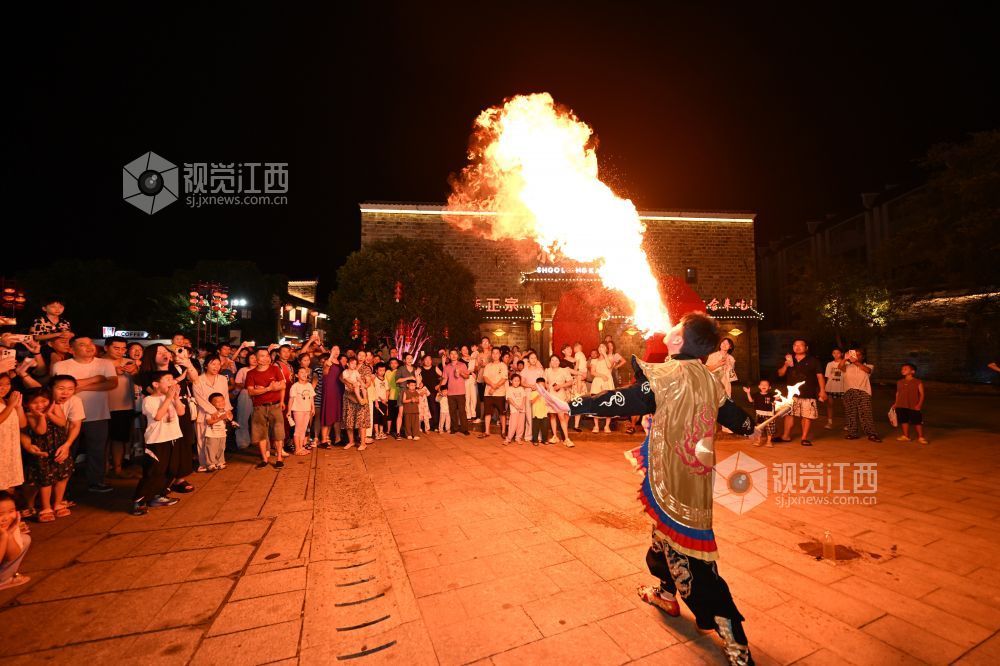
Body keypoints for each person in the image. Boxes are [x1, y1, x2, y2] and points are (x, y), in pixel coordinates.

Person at [537, 313, 759, 666]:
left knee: (697, 566)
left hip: (676, 485)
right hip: (695, 479)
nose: (669, 330)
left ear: (678, 342)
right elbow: (733, 415)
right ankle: (666, 593)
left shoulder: (669, 375)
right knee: (661, 542)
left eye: (676, 328)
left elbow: (625, 400)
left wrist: (572, 404)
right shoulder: (708, 378)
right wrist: (752, 425)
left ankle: (737, 644)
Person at [52, 336, 118, 492]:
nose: (89, 347)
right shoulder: (61, 365)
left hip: (98, 414)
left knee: (97, 450)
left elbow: (112, 383)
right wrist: (96, 379)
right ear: (72, 349)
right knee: (67, 449)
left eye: (90, 344)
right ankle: (59, 484)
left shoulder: (105, 363)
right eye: (82, 345)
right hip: (67, 415)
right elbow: (61, 385)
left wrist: (81, 386)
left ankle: (96, 482)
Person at [132, 370, 183, 515]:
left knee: (171, 469)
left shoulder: (171, 397)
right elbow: (158, 416)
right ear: (155, 384)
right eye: (167, 379)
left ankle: (158, 495)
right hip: (157, 440)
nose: (171, 382)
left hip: (173, 437)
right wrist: (168, 399)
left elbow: (181, 413)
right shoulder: (149, 400)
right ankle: (139, 501)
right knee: (155, 471)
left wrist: (176, 398)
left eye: (172, 379)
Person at [21, 390, 74, 521]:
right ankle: (46, 507)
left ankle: (57, 503)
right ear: (27, 404)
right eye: (35, 403)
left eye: (44, 401)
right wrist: (41, 417)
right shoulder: (30, 415)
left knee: (62, 476)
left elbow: (62, 423)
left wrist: (49, 413)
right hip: (43, 451)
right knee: (45, 480)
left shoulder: (55, 407)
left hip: (59, 448)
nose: (40, 405)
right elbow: (41, 431)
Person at [774, 339, 826, 447]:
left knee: (806, 415)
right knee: (789, 414)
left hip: (808, 392)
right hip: (791, 394)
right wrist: (786, 365)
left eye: (800, 345)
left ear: (806, 348)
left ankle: (804, 438)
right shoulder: (789, 359)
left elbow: (820, 376)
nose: (797, 347)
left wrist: (822, 390)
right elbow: (780, 374)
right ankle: (786, 436)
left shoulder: (813, 360)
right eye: (795, 345)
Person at [244, 348, 287, 468]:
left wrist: (261, 389)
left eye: (267, 355)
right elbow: (251, 392)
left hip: (275, 405)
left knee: (278, 433)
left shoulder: (275, 369)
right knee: (260, 433)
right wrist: (268, 388)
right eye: (262, 356)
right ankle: (264, 459)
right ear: (256, 359)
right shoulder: (251, 373)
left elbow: (282, 385)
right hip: (259, 407)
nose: (266, 358)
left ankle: (279, 458)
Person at [104, 337, 138, 478]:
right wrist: (112, 372)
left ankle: (118, 469)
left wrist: (135, 371)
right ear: (106, 347)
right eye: (116, 348)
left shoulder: (129, 363)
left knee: (120, 439)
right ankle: (104, 468)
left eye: (123, 348)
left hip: (125, 406)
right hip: (103, 406)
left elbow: (139, 380)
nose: (120, 351)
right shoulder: (98, 362)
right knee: (103, 439)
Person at [193, 356, 232, 471]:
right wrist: (212, 410)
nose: (216, 367)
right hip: (203, 412)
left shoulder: (222, 379)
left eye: (218, 364)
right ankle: (204, 463)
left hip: (220, 413)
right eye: (213, 364)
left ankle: (218, 461)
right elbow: (198, 398)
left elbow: (225, 396)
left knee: (218, 439)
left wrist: (228, 410)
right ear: (206, 365)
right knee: (202, 439)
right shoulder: (198, 379)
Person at [840, 349, 881, 442]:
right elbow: (840, 366)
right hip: (849, 391)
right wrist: (845, 359)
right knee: (850, 413)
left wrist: (855, 362)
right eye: (855, 354)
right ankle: (852, 433)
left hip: (863, 392)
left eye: (858, 355)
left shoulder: (868, 365)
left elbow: (868, 370)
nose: (856, 356)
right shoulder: (847, 366)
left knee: (866, 414)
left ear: (863, 357)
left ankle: (871, 434)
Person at [0, 376, 26, 493]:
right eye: (0, 384)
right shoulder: (9, 403)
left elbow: (22, 424)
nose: (4, 388)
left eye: (7, 384)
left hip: (10, 446)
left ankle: (9, 509)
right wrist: (11, 405)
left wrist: (18, 406)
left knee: (9, 481)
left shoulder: (7, 401)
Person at [0, 491, 30, 589]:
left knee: (24, 539)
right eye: (0, 514)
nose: (6, 518)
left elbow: (12, 556)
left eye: (11, 511)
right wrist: (4, 537)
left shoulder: (9, 524)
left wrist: (9, 535)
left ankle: (3, 579)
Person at [545, 355, 575, 447]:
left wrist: (560, 386)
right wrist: (548, 388)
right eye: (552, 360)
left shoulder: (564, 370)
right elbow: (544, 382)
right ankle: (555, 436)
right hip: (551, 396)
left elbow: (570, 382)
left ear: (559, 362)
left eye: (556, 360)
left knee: (561, 416)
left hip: (561, 396)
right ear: (550, 362)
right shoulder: (547, 371)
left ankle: (566, 438)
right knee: (552, 416)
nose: (554, 362)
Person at [341, 357, 370, 450]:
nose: (354, 365)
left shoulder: (360, 370)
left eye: (355, 363)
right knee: (349, 420)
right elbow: (345, 379)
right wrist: (352, 383)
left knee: (361, 420)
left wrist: (363, 385)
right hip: (349, 396)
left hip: (359, 394)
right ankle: (351, 441)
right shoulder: (345, 372)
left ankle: (363, 443)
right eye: (352, 363)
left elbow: (361, 380)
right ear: (348, 364)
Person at [894, 363, 927, 443]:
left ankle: (921, 437)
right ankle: (906, 436)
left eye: (905, 369)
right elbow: (898, 393)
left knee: (917, 421)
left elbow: (922, 394)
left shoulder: (918, 382)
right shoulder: (899, 382)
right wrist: (896, 403)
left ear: (912, 371)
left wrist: (919, 404)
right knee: (904, 420)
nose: (903, 370)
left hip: (913, 405)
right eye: (902, 369)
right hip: (901, 405)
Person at [479, 348, 508, 439]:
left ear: (500, 354)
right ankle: (487, 431)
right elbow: (485, 378)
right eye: (493, 353)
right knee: (487, 413)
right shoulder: (488, 366)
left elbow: (504, 379)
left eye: (497, 353)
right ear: (491, 355)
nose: (495, 355)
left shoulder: (503, 365)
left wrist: (494, 388)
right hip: (488, 393)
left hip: (500, 393)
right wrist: (492, 386)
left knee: (502, 413)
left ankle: (503, 431)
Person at [441, 349, 470, 435]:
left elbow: (467, 376)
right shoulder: (447, 367)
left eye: (455, 354)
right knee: (452, 411)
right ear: (449, 356)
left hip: (461, 392)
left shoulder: (462, 365)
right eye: (451, 354)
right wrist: (439, 387)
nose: (453, 355)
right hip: (450, 392)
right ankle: (454, 428)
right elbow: (445, 379)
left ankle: (464, 429)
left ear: (458, 355)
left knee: (462, 411)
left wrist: (460, 373)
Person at [287, 367, 315, 455]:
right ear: (296, 375)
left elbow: (311, 398)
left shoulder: (309, 385)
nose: (304, 374)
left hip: (307, 409)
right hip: (298, 410)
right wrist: (289, 411)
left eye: (305, 372)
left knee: (303, 429)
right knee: (298, 429)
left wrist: (312, 407)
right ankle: (297, 449)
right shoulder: (295, 386)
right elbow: (291, 399)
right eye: (301, 372)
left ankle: (301, 447)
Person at [232, 351, 257, 449]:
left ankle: (257, 440)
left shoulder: (262, 369)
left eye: (256, 357)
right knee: (243, 418)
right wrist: (249, 386)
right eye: (252, 358)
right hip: (246, 394)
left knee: (258, 419)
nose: (254, 359)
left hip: (260, 394)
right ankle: (243, 441)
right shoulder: (243, 370)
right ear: (248, 359)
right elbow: (237, 383)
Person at [202, 393, 233, 470]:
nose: (221, 403)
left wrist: (229, 416)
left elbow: (230, 419)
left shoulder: (225, 411)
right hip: (212, 434)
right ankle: (211, 464)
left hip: (222, 433)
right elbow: (209, 422)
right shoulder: (210, 412)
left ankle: (220, 462)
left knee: (221, 448)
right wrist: (221, 418)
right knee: (211, 449)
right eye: (217, 402)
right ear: (211, 404)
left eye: (222, 401)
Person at [589, 343, 616, 433]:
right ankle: (596, 426)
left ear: (606, 349)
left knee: (608, 403)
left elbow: (609, 366)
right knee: (596, 403)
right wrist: (602, 376)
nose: (601, 348)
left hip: (607, 382)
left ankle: (606, 426)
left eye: (603, 347)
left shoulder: (610, 358)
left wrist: (605, 354)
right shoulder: (594, 360)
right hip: (597, 381)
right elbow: (592, 372)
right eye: (600, 346)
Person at [320, 349, 344, 447]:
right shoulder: (327, 362)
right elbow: (325, 373)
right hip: (330, 390)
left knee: (337, 415)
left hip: (339, 390)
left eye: (338, 349)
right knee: (328, 414)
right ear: (330, 351)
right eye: (334, 349)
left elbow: (342, 377)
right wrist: (330, 357)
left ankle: (338, 439)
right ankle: (324, 440)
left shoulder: (340, 363)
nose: (336, 351)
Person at [743, 380, 776, 447]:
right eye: (762, 384)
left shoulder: (772, 395)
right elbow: (751, 400)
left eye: (766, 385)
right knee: (759, 429)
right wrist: (748, 393)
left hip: (769, 415)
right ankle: (758, 441)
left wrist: (776, 400)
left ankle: (769, 442)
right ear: (759, 386)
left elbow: (775, 403)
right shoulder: (756, 395)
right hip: (759, 415)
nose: (764, 386)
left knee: (770, 429)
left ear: (769, 387)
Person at [823, 348, 845, 429]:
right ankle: (829, 423)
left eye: (838, 353)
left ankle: (847, 424)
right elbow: (827, 377)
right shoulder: (829, 364)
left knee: (845, 406)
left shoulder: (846, 363)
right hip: (830, 388)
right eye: (834, 353)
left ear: (842, 354)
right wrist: (825, 388)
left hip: (842, 387)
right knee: (829, 405)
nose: (836, 355)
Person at [504, 374, 528, 444]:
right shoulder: (509, 389)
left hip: (522, 409)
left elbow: (524, 397)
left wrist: (522, 405)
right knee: (513, 424)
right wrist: (516, 406)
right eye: (515, 381)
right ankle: (508, 438)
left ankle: (518, 438)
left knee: (520, 425)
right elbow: (509, 399)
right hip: (514, 410)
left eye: (518, 381)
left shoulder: (521, 389)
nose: (517, 382)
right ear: (511, 381)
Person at [529, 377, 551, 445]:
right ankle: (535, 440)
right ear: (537, 385)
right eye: (539, 385)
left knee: (545, 428)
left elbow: (549, 402)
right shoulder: (533, 393)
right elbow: (531, 402)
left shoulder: (546, 393)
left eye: (543, 385)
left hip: (544, 413)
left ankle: (544, 440)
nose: (541, 387)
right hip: (536, 414)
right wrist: (538, 395)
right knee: (535, 428)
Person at [371, 363, 389, 440]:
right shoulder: (374, 380)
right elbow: (373, 391)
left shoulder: (385, 379)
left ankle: (381, 432)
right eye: (380, 370)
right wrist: (376, 402)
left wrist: (386, 399)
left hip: (384, 402)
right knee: (376, 417)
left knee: (383, 417)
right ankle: (376, 433)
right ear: (376, 370)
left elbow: (387, 390)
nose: (382, 372)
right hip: (377, 401)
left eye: (383, 370)